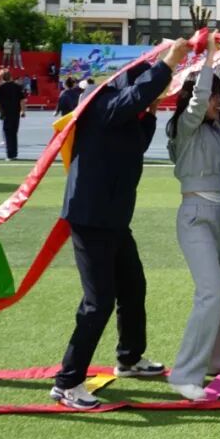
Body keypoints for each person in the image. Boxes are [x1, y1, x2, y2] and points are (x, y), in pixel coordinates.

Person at [50, 38, 188, 410]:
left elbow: (136, 143)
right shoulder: (99, 102)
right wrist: (167, 64)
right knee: (98, 303)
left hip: (113, 218)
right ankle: (68, 382)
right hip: (91, 218)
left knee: (132, 287)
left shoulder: (125, 116)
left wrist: (151, 113)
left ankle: (129, 358)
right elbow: (130, 101)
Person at [165, 35, 220, 401]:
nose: (219, 102)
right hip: (194, 216)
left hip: (217, 214)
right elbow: (197, 101)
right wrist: (209, 61)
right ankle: (184, 373)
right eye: (215, 96)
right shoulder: (185, 126)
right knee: (210, 292)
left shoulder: (215, 129)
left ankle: (215, 361)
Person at [0, 69, 27, 161]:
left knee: (7, 134)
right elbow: (22, 100)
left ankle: (10, 154)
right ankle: (14, 153)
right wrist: (22, 111)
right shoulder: (17, 86)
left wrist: (0, 112)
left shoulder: (1, 87)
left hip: (6, 113)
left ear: (2, 77)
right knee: (14, 133)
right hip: (15, 113)